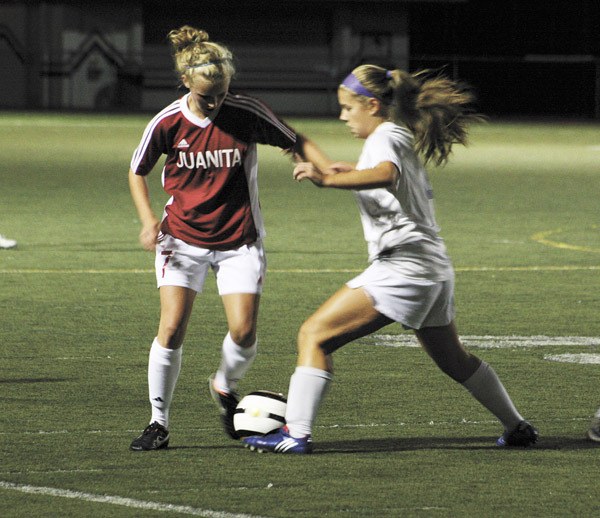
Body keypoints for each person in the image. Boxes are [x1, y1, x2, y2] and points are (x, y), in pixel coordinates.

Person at [242, 64, 538, 454]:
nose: (343, 116)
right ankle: (516, 426)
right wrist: (348, 169)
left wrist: (328, 179)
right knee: (455, 361)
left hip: (404, 266)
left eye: (348, 109)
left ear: (371, 105)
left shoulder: (385, 136)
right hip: (431, 267)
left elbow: (385, 174)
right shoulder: (394, 135)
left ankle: (296, 434)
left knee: (314, 335)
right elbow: (385, 176)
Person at [128, 25, 303, 451]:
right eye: (208, 95)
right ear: (186, 81)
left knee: (243, 332)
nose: (216, 102)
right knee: (171, 328)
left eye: (222, 93)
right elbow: (138, 170)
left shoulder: (245, 113)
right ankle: (158, 422)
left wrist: (310, 164)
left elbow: (295, 140)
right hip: (181, 238)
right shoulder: (168, 122)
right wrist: (149, 219)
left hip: (239, 239)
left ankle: (225, 385)